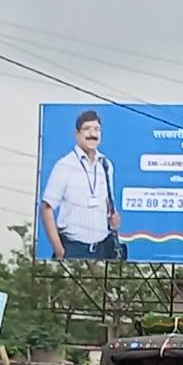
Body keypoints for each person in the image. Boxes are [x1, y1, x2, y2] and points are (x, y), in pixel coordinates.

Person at [39, 110, 121, 261]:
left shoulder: (106, 164)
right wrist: (59, 251)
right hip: (73, 249)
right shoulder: (65, 165)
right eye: (87, 129)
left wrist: (113, 218)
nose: (92, 134)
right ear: (77, 134)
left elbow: (108, 205)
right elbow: (46, 208)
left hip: (102, 250)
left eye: (97, 129)